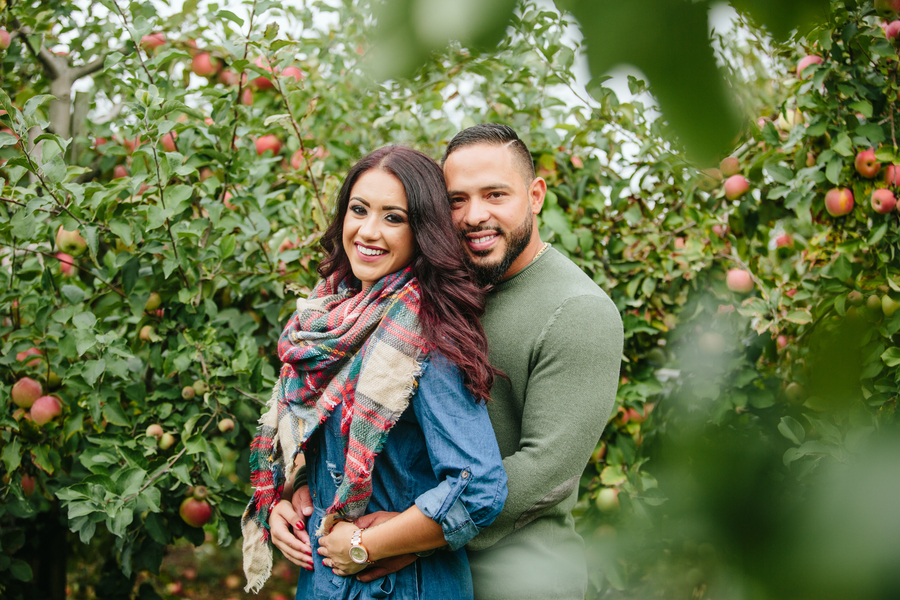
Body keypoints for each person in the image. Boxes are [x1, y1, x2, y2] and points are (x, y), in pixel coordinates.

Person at [278, 124, 624, 599]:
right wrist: (298, 491)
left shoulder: (578, 311)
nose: (474, 216)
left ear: (536, 195)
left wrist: (404, 536)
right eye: (457, 200)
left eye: (495, 194)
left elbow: (546, 471)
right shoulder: (428, 292)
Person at [241, 145, 508, 599]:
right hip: (326, 579)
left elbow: (479, 488)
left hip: (400, 586)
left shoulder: (425, 337)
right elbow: (316, 433)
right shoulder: (329, 318)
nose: (368, 231)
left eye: (393, 218)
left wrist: (368, 544)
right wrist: (291, 493)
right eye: (359, 209)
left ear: (421, 232)